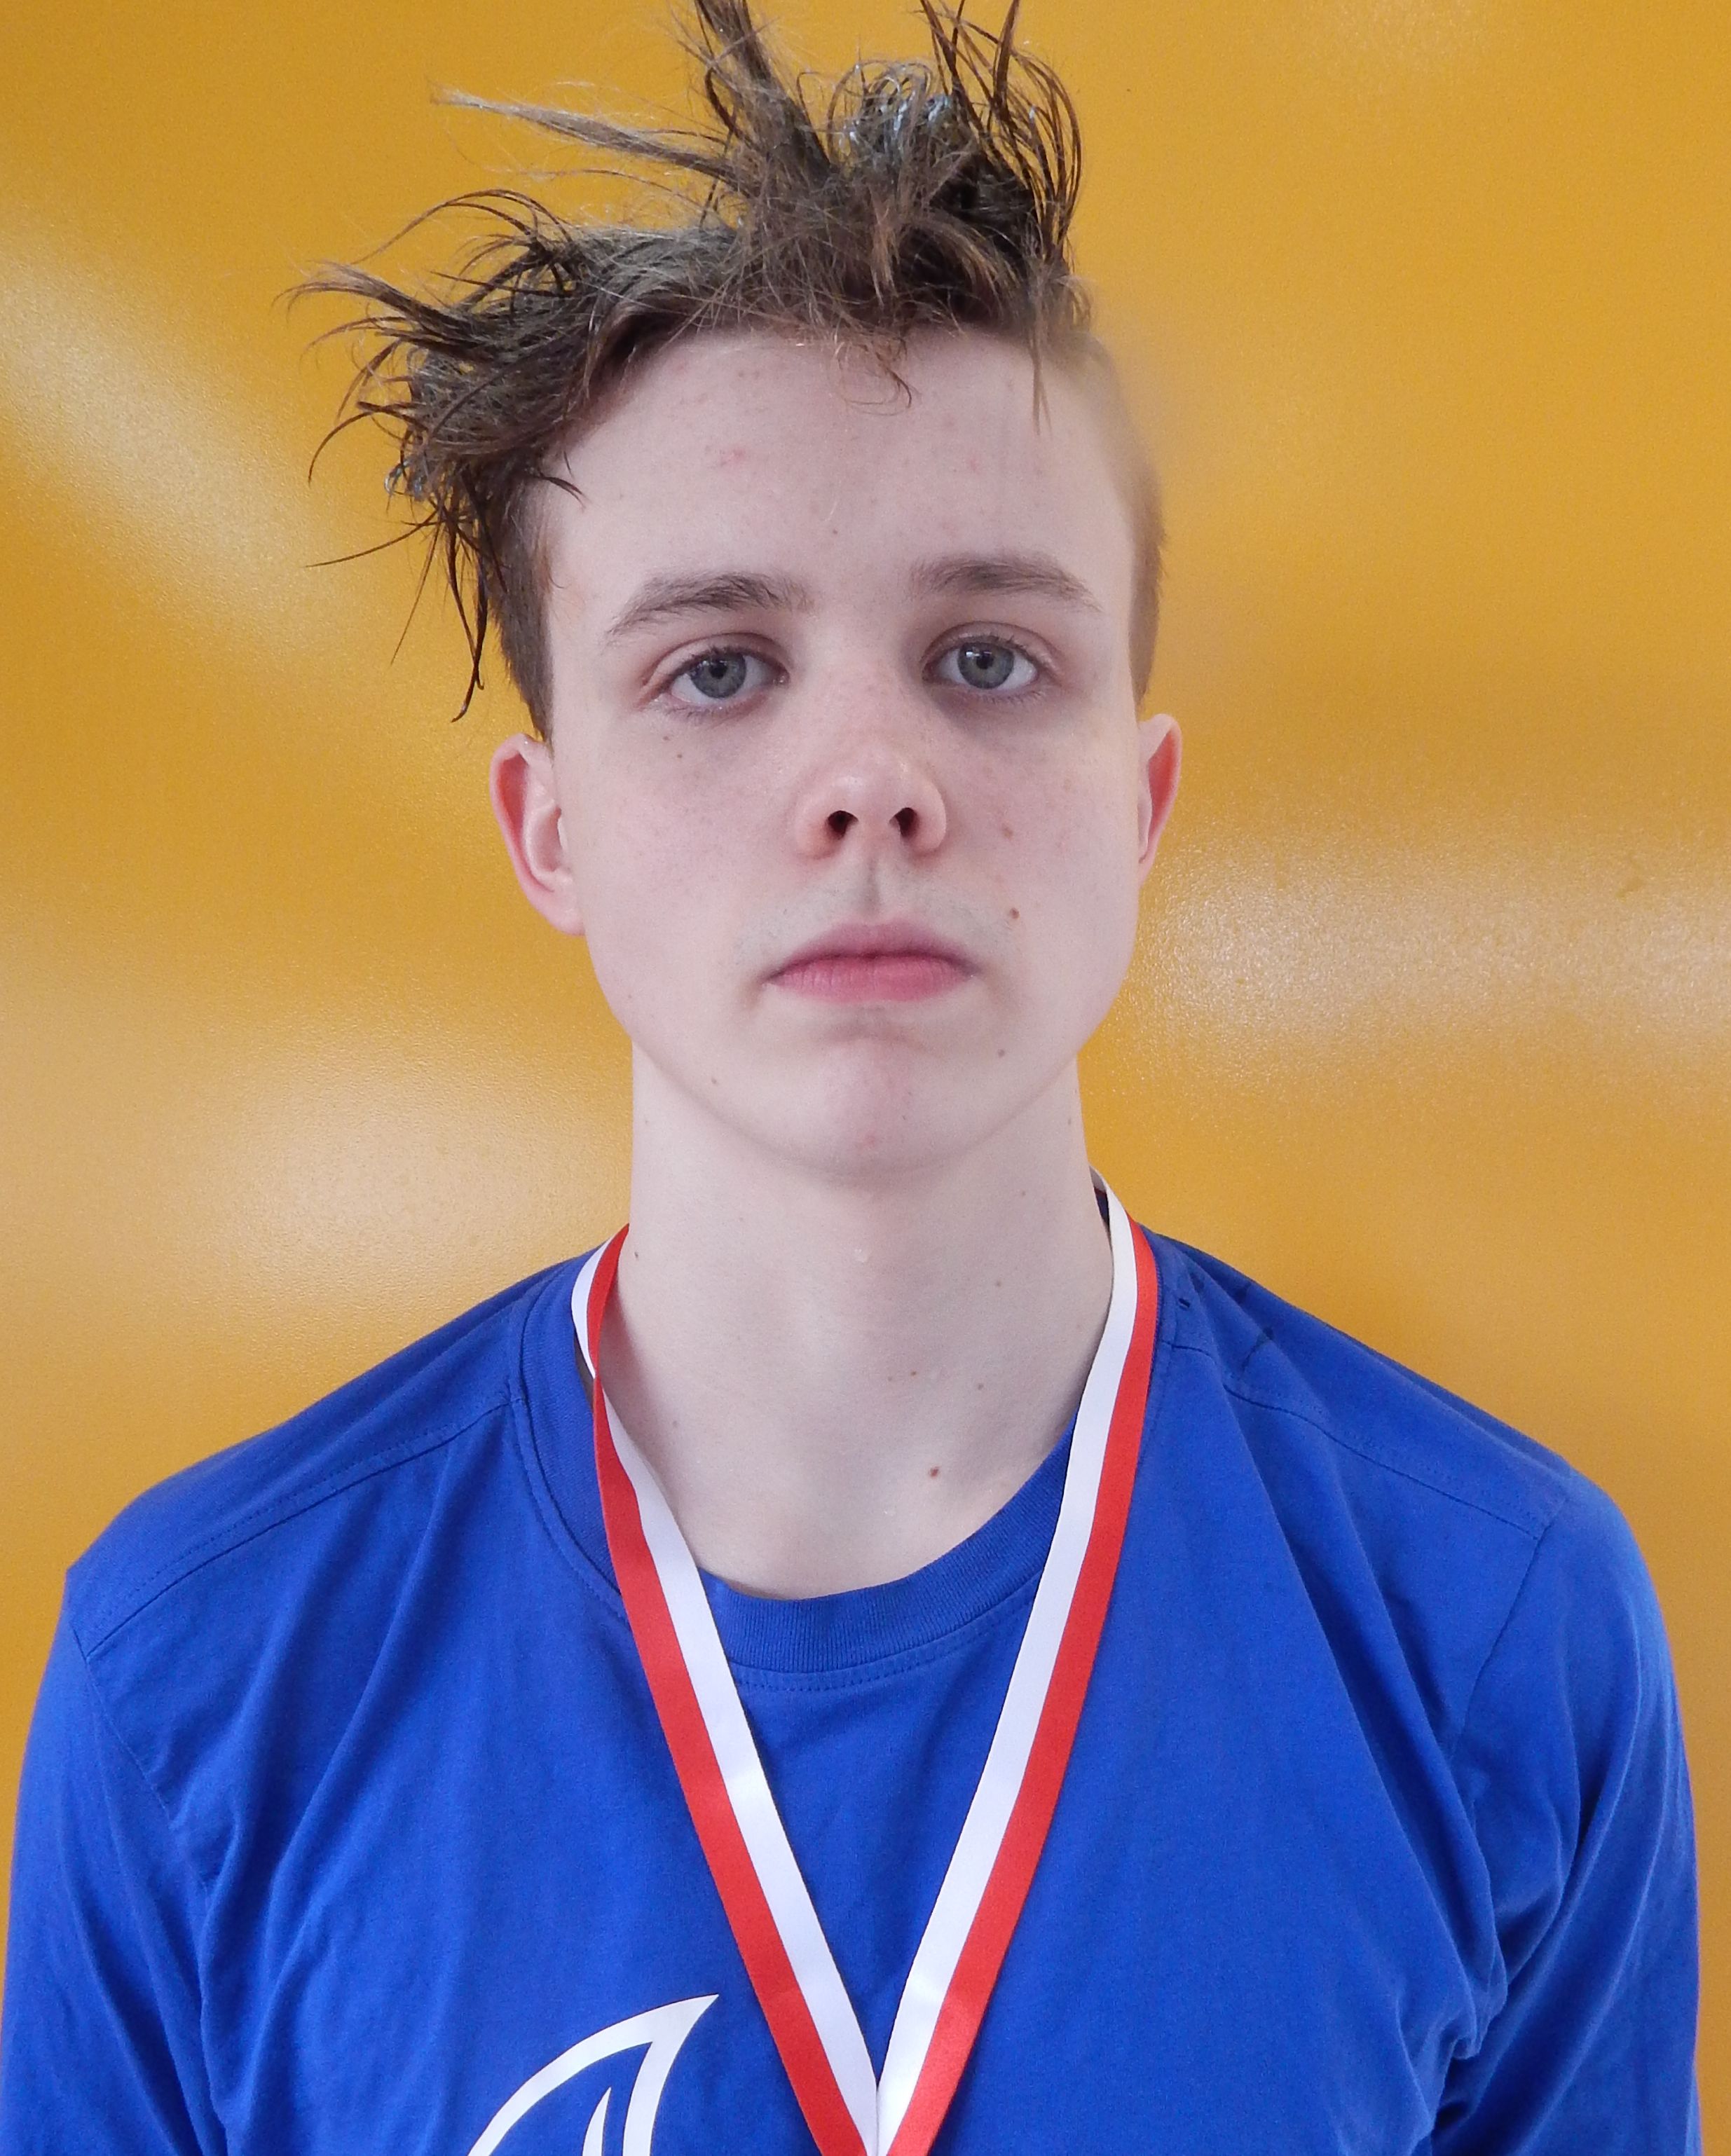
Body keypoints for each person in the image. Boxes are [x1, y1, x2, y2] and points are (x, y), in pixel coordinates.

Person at [0, 3, 1700, 2149]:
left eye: (991, 657)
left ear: (1141, 805)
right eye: (719, 669)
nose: (871, 778)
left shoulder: (1500, 1627)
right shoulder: (202, 1674)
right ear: (550, 828)